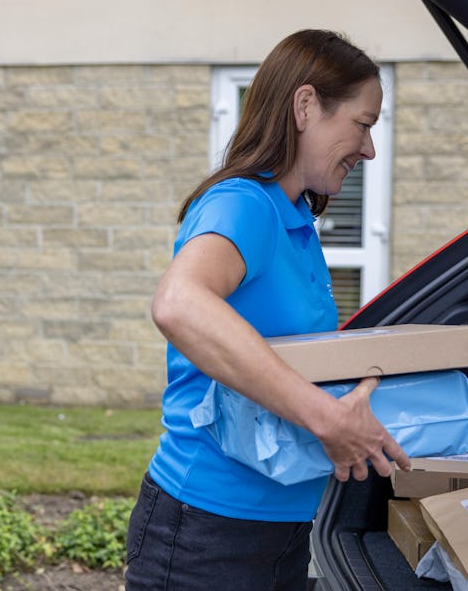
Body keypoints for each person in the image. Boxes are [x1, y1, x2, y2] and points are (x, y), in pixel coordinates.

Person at [124, 29, 411, 591]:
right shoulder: (244, 204)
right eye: (363, 125)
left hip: (278, 527)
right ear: (306, 106)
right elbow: (179, 304)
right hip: (206, 532)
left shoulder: (295, 220)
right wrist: (327, 419)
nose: (369, 150)